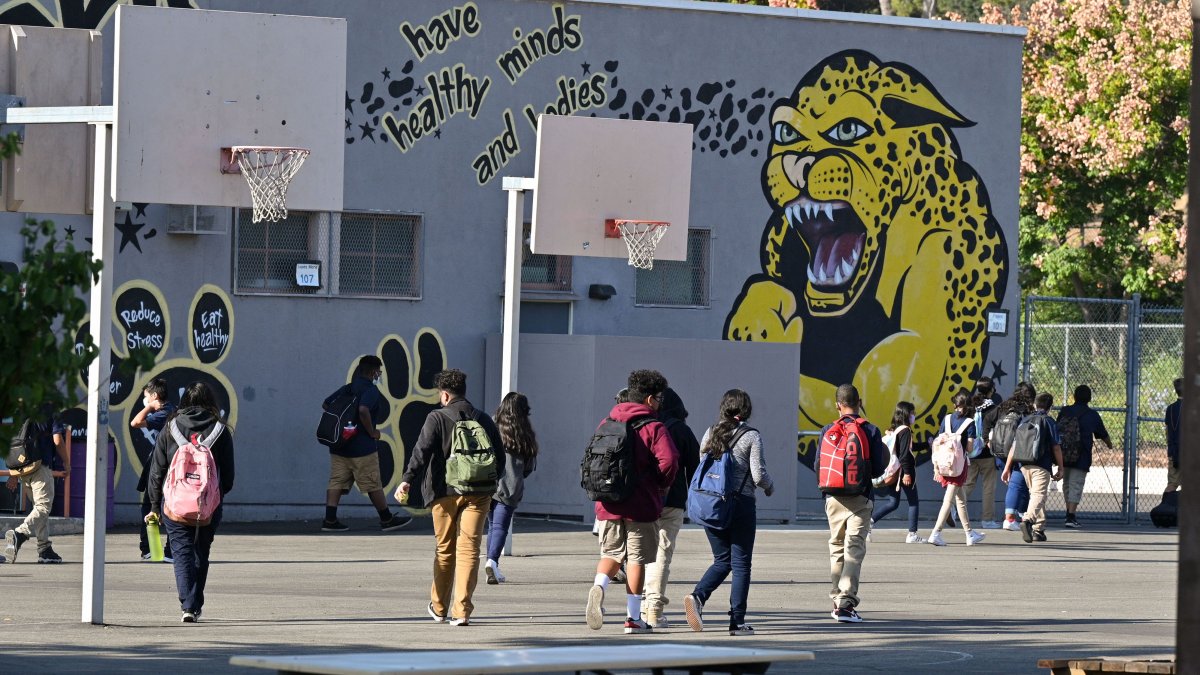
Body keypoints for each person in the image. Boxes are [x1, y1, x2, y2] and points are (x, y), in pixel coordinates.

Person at [397, 369, 504, 627]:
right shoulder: (483, 418)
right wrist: (489, 484)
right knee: (469, 550)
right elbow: (499, 457)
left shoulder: (437, 417)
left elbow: (421, 451)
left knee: (445, 550)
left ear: (444, 395)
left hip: (443, 492)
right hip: (479, 493)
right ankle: (462, 612)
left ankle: (439, 607)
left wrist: (407, 479)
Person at [585, 369, 679, 634]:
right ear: (649, 399)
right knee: (637, 558)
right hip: (641, 504)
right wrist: (660, 485)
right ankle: (633, 618)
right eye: (659, 398)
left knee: (611, 554)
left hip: (608, 503)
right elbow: (670, 461)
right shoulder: (653, 426)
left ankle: (599, 586)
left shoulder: (606, 422)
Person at [683, 389, 773, 636]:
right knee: (741, 564)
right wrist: (769, 487)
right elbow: (758, 474)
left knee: (722, 560)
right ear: (746, 410)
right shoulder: (751, 436)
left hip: (712, 505)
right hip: (741, 505)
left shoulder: (711, 432)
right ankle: (737, 622)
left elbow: (702, 463)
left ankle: (697, 596)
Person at [145, 382, 235, 622]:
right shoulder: (220, 430)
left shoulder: (170, 427)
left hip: (175, 504)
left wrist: (154, 506)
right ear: (211, 403)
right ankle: (194, 604)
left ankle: (188, 605)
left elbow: (156, 470)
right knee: (201, 552)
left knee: (182, 551)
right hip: (209, 504)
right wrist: (216, 496)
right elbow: (229, 476)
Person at [819, 384, 886, 623]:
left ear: (837, 405)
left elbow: (820, 467)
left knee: (836, 547)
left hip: (833, 497)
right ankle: (846, 605)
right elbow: (878, 468)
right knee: (854, 549)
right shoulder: (871, 430)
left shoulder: (828, 430)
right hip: (860, 497)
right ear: (859, 402)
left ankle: (836, 599)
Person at [321, 355, 410, 533]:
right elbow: (363, 410)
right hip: (362, 447)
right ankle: (386, 518)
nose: (380, 374)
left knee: (337, 481)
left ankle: (330, 520)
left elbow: (326, 404)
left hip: (340, 446)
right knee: (372, 483)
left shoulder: (347, 388)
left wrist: (345, 422)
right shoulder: (370, 391)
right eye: (379, 371)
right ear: (374, 371)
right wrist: (372, 432)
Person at [642, 387, 700, 629]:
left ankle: (640, 608)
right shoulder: (681, 429)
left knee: (642, 554)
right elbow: (695, 467)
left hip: (644, 499)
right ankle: (654, 610)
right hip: (673, 500)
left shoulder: (644, 426)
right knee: (662, 554)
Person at [485, 391, 538, 585]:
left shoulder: (491, 424)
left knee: (492, 525)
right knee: (500, 526)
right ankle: (492, 561)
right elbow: (529, 466)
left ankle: (490, 561)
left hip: (488, 483)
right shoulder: (524, 432)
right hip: (510, 486)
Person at [4, 408, 69, 564]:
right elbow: (58, 440)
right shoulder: (51, 411)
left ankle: (44, 549)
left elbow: (15, 440)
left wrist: (14, 473)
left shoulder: (21, 408)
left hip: (23, 467)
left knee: (38, 509)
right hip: (41, 466)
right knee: (43, 507)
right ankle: (19, 533)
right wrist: (66, 462)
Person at [925, 389, 987, 547]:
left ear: (954, 404)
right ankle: (936, 533)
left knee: (961, 500)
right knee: (949, 500)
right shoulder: (969, 422)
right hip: (958, 466)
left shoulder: (946, 419)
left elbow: (938, 444)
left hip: (944, 464)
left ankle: (969, 533)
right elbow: (970, 447)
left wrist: (936, 468)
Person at [1002, 392, 1064, 543]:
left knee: (1036, 495)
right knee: (1038, 494)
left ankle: (1039, 530)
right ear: (1050, 407)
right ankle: (1028, 521)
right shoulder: (1048, 421)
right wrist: (1061, 468)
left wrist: (1007, 468)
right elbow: (1056, 447)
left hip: (1023, 464)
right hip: (1041, 464)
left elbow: (1014, 446)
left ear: (1035, 405)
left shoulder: (1025, 420)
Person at [132, 378, 177, 561]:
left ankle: (150, 549)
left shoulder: (163, 413)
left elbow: (135, 423)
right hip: (167, 466)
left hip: (161, 468)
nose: (145, 400)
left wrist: (150, 407)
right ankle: (164, 550)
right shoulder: (173, 410)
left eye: (146, 397)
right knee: (165, 506)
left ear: (155, 396)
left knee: (151, 506)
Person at [1056, 384, 1112, 528]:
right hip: (1081, 455)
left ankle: (1068, 512)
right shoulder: (1092, 414)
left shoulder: (1065, 411)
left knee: (1067, 484)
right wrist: (1110, 445)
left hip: (1064, 453)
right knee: (1076, 484)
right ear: (1089, 398)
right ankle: (1071, 516)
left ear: (1074, 396)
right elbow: (1103, 434)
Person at [869, 401, 924, 543]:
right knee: (914, 502)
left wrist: (926, 445)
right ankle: (912, 535)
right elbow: (904, 454)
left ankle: (869, 522)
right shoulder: (905, 430)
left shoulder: (896, 430)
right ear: (906, 414)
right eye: (912, 413)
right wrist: (907, 473)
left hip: (894, 473)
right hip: (903, 473)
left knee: (893, 503)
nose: (914, 416)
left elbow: (907, 448)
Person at [991, 382, 1036, 531]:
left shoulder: (1004, 406)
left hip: (1000, 451)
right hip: (1017, 451)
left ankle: (1020, 516)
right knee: (1017, 484)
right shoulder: (1026, 411)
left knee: (1017, 485)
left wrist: (987, 440)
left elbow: (987, 421)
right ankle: (1010, 519)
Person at [961, 379, 1001, 529]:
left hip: (970, 452)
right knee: (988, 487)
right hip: (987, 452)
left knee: (967, 484)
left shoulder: (970, 406)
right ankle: (987, 519)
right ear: (991, 390)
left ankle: (953, 509)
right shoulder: (993, 408)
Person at [1165, 377, 1182, 493]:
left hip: (1174, 450)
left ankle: (1165, 506)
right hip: (1190, 453)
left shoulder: (1170, 408)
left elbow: (1167, 430)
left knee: (1172, 483)